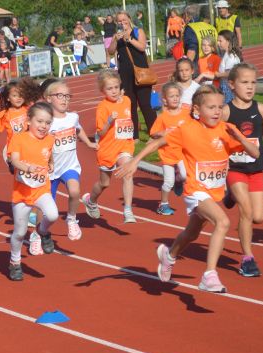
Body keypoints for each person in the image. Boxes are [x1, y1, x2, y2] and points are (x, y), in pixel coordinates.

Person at [115, 85, 260, 293]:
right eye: (211, 108)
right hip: (195, 190)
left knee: (191, 234)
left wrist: (240, 139)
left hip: (213, 192)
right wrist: (135, 161)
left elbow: (255, 153)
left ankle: (169, 256)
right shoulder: (187, 130)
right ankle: (209, 275)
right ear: (197, 110)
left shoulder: (227, 129)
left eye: (220, 107)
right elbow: (157, 143)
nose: (217, 112)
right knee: (223, 222)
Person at [221, 63, 263, 277]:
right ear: (232, 85)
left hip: (255, 169)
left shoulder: (262, 110)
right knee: (246, 212)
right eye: (244, 82)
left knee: (258, 217)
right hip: (234, 168)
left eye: (253, 82)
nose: (250, 87)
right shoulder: (226, 112)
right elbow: (215, 137)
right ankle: (248, 258)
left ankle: (231, 196)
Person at [29, 80, 98, 253]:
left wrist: (89, 143)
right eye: (60, 96)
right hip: (49, 171)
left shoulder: (73, 117)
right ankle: (39, 233)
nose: (65, 99)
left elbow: (78, 129)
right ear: (48, 98)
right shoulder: (46, 122)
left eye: (67, 96)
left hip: (69, 165)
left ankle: (71, 219)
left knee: (75, 191)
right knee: (45, 210)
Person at [7, 102, 59, 281]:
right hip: (22, 194)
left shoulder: (50, 139)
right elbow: (14, 160)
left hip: (41, 189)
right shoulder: (19, 139)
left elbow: (48, 154)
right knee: (20, 232)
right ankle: (15, 262)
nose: (44, 126)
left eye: (48, 123)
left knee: (52, 214)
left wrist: (51, 163)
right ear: (29, 121)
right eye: (40, 121)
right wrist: (27, 168)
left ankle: (43, 231)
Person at [81, 69, 137, 223]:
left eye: (116, 87)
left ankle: (128, 210)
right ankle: (91, 200)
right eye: (109, 88)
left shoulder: (126, 100)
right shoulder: (103, 107)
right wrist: (109, 121)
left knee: (128, 173)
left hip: (124, 146)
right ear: (102, 90)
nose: (114, 91)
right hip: (108, 149)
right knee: (104, 183)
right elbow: (101, 132)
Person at [108, 10, 157, 141]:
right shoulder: (116, 35)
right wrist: (115, 40)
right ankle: (134, 136)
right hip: (125, 74)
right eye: (119, 21)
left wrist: (129, 39)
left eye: (124, 20)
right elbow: (111, 51)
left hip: (141, 72)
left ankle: (154, 133)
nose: (122, 22)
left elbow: (142, 47)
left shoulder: (137, 31)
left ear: (129, 19)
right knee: (130, 105)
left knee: (145, 104)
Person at [149, 82, 191, 215]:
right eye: (171, 96)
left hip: (182, 153)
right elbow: (153, 133)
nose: (175, 98)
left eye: (177, 96)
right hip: (167, 153)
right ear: (165, 100)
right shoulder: (163, 117)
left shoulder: (186, 113)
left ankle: (178, 181)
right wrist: (162, 133)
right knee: (168, 182)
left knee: (184, 175)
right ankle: (163, 204)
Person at [0, 78, 40, 169]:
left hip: (29, 148)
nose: (19, 98)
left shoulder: (29, 108)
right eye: (15, 95)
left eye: (21, 95)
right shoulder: (4, 114)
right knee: (20, 173)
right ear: (8, 98)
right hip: (14, 151)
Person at [216, 30, 242, 103]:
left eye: (220, 41)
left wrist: (218, 75)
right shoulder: (226, 54)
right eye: (217, 41)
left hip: (229, 89)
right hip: (226, 87)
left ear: (228, 42)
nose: (218, 43)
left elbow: (231, 72)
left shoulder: (231, 57)